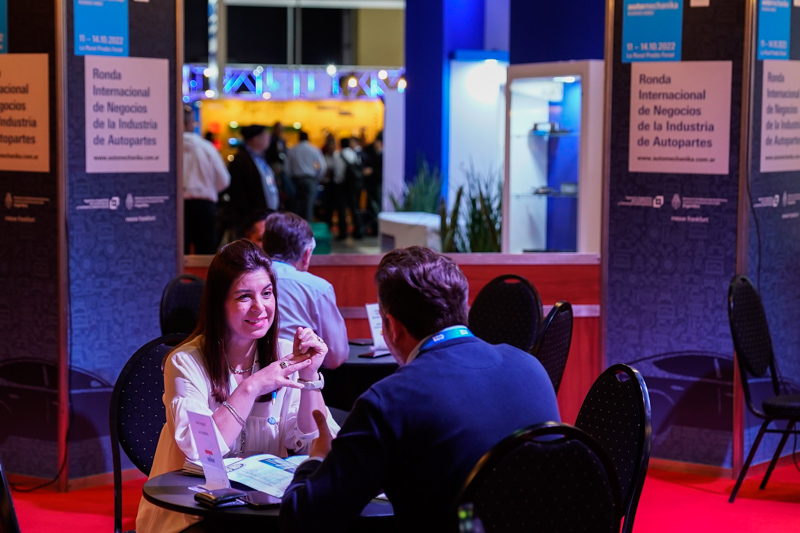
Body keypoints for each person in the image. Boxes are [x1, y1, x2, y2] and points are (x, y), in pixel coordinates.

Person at [280, 246, 561, 531]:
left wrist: (317, 459)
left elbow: (303, 519)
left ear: (391, 327)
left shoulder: (389, 400)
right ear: (462, 307)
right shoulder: (532, 367)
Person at [136, 239, 339, 533]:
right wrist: (252, 386)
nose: (260, 307)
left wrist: (309, 377)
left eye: (267, 293)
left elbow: (311, 442)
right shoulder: (184, 362)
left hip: (264, 508)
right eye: (245, 296)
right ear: (219, 303)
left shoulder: (284, 353)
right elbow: (202, 452)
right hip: (194, 513)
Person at [261, 212, 349, 369]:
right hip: (299, 381)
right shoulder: (318, 289)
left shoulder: (242, 281)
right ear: (307, 254)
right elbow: (336, 356)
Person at [219, 125, 280, 245]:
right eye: (265, 136)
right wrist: (250, 217)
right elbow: (238, 192)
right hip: (251, 219)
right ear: (255, 139)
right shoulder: (241, 159)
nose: (268, 139)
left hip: (263, 215)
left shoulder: (260, 158)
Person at [182, 105, 230, 254]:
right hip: (204, 206)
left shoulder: (167, 147)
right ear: (189, 123)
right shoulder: (207, 148)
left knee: (179, 252)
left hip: (177, 206)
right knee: (205, 254)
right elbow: (224, 180)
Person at [286, 130, 326, 222]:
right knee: (309, 206)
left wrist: (290, 178)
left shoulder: (292, 150)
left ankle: (295, 229)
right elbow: (322, 166)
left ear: (298, 138)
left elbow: (287, 168)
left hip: (296, 180)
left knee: (296, 206)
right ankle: (307, 230)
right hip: (310, 180)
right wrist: (318, 177)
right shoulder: (314, 149)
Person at [266, 121, 295, 213]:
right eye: (278, 128)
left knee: (290, 191)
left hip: (282, 168)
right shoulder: (270, 140)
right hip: (272, 167)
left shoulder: (281, 141)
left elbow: (284, 154)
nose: (280, 130)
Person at [338, 137, 363, 240]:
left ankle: (343, 232)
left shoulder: (338, 155)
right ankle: (358, 231)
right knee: (354, 208)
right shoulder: (354, 154)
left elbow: (338, 172)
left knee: (342, 209)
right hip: (354, 186)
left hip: (342, 185)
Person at [361, 131, 383, 236]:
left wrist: (372, 171)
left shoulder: (383, 155)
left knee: (376, 207)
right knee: (370, 207)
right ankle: (371, 228)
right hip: (371, 185)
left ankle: (376, 229)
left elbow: (382, 172)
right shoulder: (372, 153)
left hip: (377, 185)